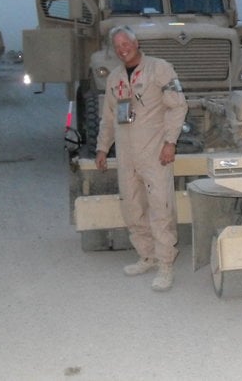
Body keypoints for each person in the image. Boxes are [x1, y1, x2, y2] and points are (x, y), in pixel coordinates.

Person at [95, 25, 187, 291]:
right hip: (126, 154)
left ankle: (165, 265)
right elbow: (108, 117)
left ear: (136, 43)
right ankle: (147, 256)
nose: (122, 49)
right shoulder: (114, 78)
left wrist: (170, 142)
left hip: (154, 152)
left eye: (126, 43)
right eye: (117, 46)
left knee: (160, 208)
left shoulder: (160, 69)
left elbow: (178, 106)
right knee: (132, 207)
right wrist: (102, 148)